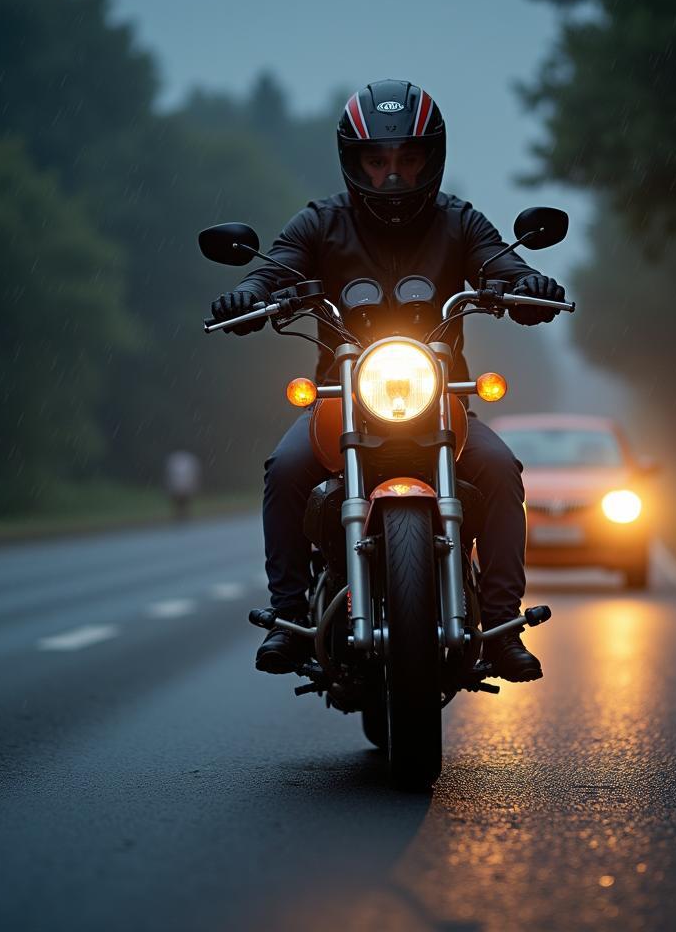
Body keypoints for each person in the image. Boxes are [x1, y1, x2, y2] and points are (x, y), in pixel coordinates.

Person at [209, 79, 567, 682]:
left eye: (407, 159)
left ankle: (503, 628)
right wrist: (251, 293)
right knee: (286, 468)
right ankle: (290, 617)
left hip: (440, 408)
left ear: (432, 157)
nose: (392, 176)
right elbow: (276, 268)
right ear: (355, 162)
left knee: (502, 469)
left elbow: (501, 261)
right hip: (342, 406)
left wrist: (528, 285)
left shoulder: (459, 221)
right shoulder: (321, 222)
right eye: (377, 161)